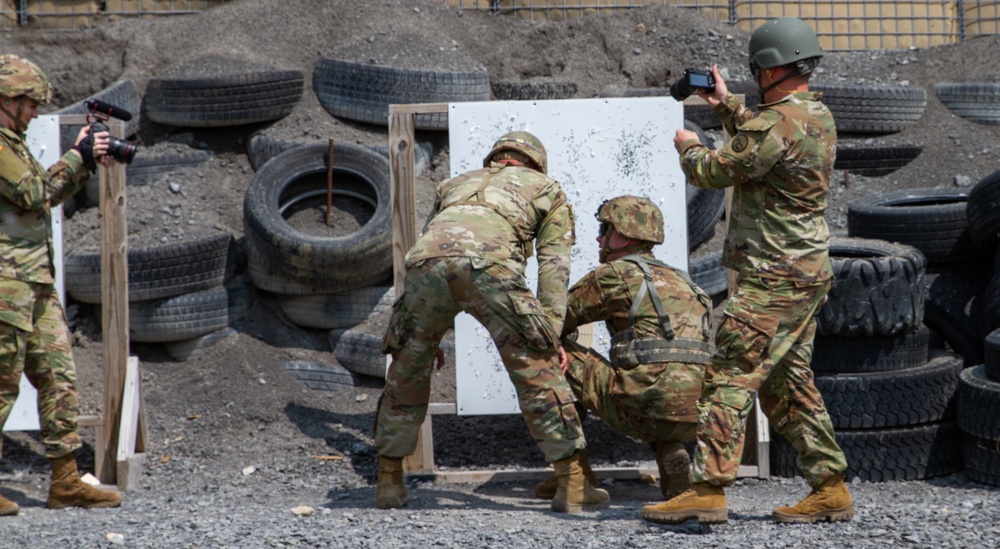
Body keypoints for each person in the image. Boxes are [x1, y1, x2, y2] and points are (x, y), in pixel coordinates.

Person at [640, 17, 854, 525]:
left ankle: (708, 489)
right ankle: (830, 486)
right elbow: (763, 148)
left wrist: (688, 145)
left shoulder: (776, 123)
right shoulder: (814, 114)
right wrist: (727, 105)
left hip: (773, 279)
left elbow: (714, 171)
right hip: (806, 271)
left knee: (728, 377)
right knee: (787, 382)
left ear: (769, 69)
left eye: (756, 69)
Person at [374, 131, 609, 514]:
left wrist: (425, 336)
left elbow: (437, 250)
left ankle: (388, 481)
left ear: (497, 158)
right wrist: (548, 336)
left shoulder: (454, 183)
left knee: (407, 369)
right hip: (490, 268)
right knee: (535, 371)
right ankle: (573, 483)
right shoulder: (547, 188)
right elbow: (554, 268)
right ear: (535, 163)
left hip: (424, 269)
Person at [0, 54, 122, 515]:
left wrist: (83, 161)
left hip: (35, 281)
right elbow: (32, 193)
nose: (35, 112)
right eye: (29, 103)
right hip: (7, 286)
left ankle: (66, 481)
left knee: (59, 379)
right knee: (2, 385)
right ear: (6, 100)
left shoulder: (14, 141)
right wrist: (76, 155)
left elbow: (45, 193)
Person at [532, 195, 714, 502]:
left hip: (643, 406)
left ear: (625, 236)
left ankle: (574, 477)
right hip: (696, 414)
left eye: (605, 229)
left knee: (546, 355)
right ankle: (672, 457)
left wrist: (557, 344)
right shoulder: (686, 283)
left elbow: (552, 320)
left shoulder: (614, 275)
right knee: (658, 381)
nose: (599, 238)